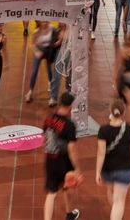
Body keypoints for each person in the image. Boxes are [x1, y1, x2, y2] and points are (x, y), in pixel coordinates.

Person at [42, 92, 81, 220]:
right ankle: (69, 214)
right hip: (64, 161)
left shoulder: (49, 119)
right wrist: (77, 168)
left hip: (50, 159)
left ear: (60, 103)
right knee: (67, 185)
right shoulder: (70, 125)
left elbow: (44, 138)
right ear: (70, 107)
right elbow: (72, 149)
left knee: (51, 193)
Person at [95, 99, 130, 220]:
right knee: (119, 202)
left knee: (111, 191)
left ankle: (115, 213)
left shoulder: (103, 130)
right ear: (123, 113)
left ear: (111, 111)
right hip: (124, 169)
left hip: (108, 170)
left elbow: (101, 153)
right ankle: (116, 214)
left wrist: (98, 171)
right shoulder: (129, 129)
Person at [25, 21, 58, 104]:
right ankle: (30, 91)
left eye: (46, 22)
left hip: (49, 51)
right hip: (39, 50)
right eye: (42, 22)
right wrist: (36, 52)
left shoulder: (52, 28)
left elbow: (56, 38)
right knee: (34, 71)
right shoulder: (36, 32)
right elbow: (32, 44)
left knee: (49, 70)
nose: (44, 24)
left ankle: (51, 86)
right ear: (39, 23)